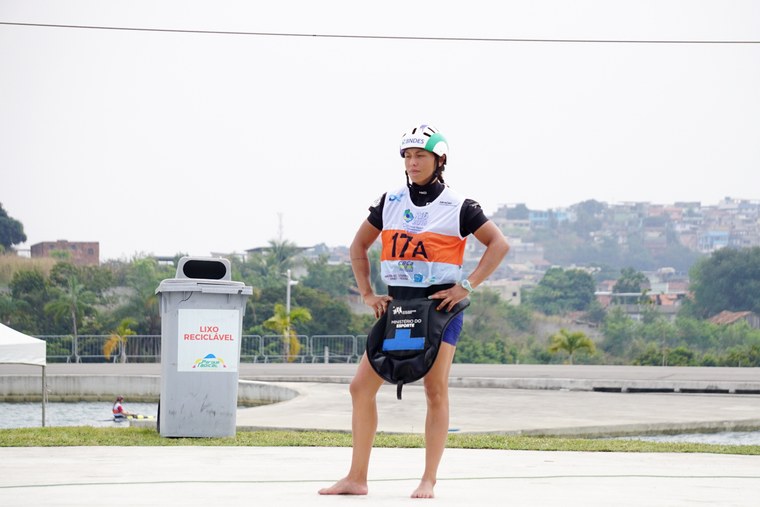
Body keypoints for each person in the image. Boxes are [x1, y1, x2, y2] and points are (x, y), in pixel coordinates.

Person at [319, 124, 509, 499]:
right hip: (398, 306)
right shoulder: (390, 202)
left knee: (435, 389)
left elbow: (498, 245)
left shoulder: (459, 206)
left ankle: (428, 479)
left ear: (439, 160)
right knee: (360, 387)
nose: (412, 162)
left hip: (439, 309)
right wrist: (367, 293)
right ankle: (356, 478)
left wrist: (466, 286)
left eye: (420, 155)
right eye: (407, 156)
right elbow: (358, 245)